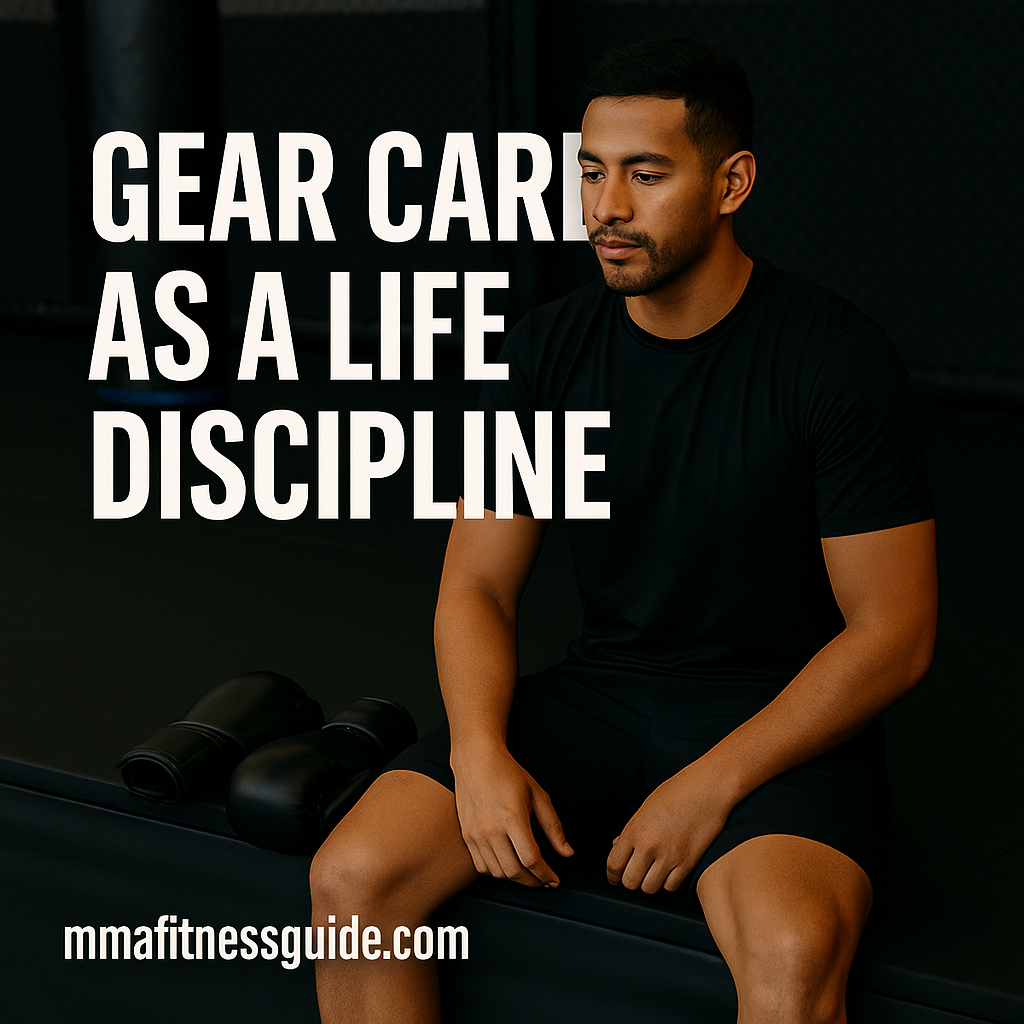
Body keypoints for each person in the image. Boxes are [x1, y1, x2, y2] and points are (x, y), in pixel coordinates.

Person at [310, 36, 937, 1024]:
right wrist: (477, 755)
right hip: (603, 693)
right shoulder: (546, 351)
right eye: (589, 171)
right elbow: (476, 584)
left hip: (772, 716)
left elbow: (892, 634)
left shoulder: (834, 361)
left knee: (789, 949)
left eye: (644, 174)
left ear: (731, 182)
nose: (605, 207)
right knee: (352, 879)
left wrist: (712, 782)